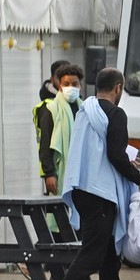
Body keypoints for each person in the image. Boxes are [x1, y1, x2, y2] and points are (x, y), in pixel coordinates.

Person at [47, 67, 140, 280]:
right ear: (118, 88)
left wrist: (126, 159)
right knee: (93, 252)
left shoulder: (86, 111)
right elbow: (115, 155)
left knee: (109, 254)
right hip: (101, 193)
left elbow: (100, 152)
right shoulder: (116, 113)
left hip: (84, 187)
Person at [39, 64, 84, 196]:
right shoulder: (51, 110)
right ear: (60, 86)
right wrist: (49, 174)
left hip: (82, 172)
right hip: (60, 172)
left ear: (80, 85)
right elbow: (45, 145)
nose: (71, 87)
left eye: (74, 84)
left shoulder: (85, 109)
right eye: (66, 84)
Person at [33, 59, 69, 180]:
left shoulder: (75, 103)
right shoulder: (47, 107)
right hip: (55, 170)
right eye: (60, 78)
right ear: (52, 78)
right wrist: (49, 173)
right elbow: (45, 141)